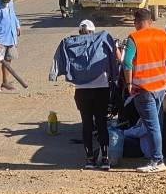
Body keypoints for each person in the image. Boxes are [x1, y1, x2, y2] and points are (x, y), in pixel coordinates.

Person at [49, 19, 119, 170]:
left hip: (82, 90)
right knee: (101, 123)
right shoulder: (103, 38)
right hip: (101, 88)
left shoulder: (70, 43)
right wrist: (115, 76)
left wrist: (54, 74)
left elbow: (60, 59)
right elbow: (115, 58)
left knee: (86, 123)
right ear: (93, 31)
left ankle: (89, 160)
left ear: (80, 31)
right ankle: (105, 159)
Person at [123, 8, 166, 173]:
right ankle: (153, 156)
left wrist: (128, 83)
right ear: (150, 20)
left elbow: (127, 63)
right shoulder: (163, 35)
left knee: (152, 125)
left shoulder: (134, 38)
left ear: (136, 22)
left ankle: (157, 160)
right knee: (156, 123)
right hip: (160, 87)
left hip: (143, 89)